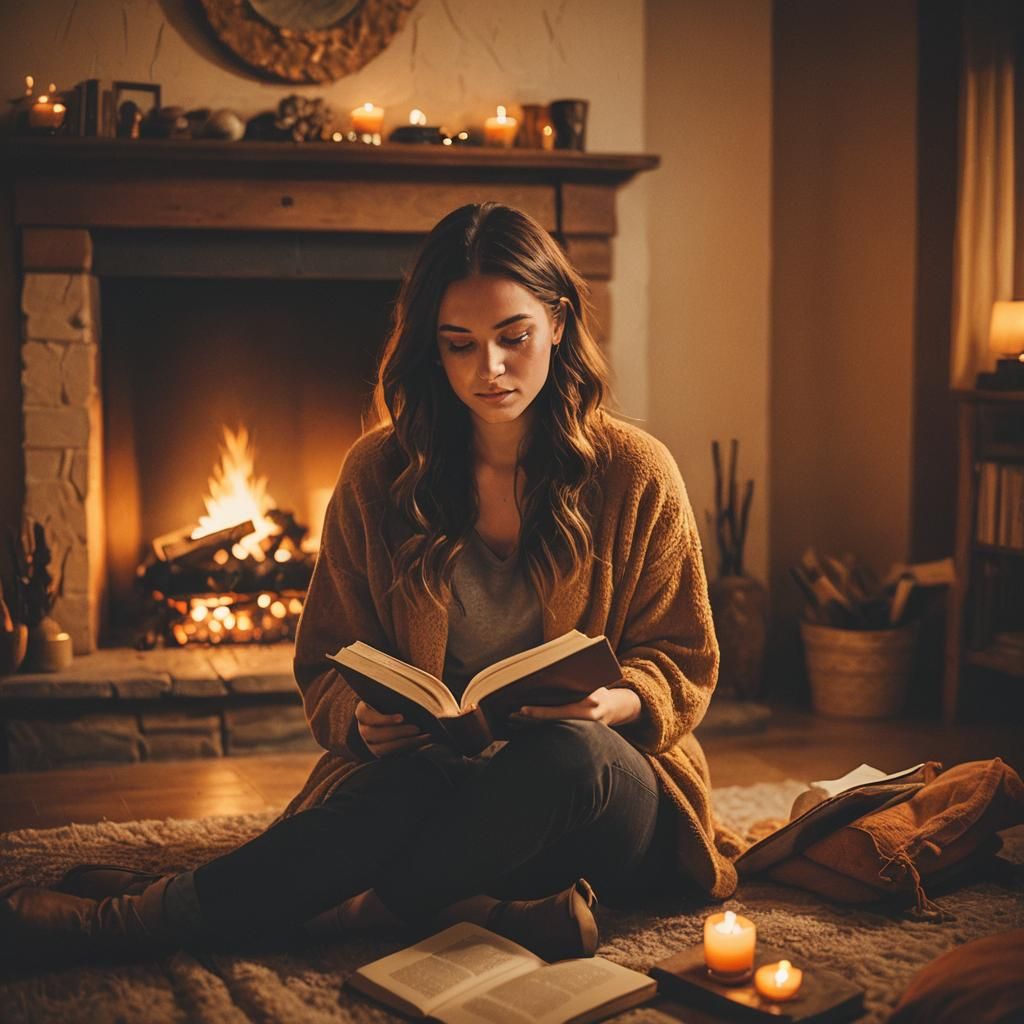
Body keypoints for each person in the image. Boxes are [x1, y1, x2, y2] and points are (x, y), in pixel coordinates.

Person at [0, 203, 739, 970]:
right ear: (433, 350)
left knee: (567, 755)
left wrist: (614, 702)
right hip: (442, 787)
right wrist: (360, 719)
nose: (489, 369)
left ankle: (186, 912)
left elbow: (685, 657)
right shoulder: (381, 474)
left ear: (556, 321)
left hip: (601, 803)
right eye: (460, 345)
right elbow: (324, 659)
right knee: (404, 784)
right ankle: (481, 911)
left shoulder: (635, 472)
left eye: (513, 338)